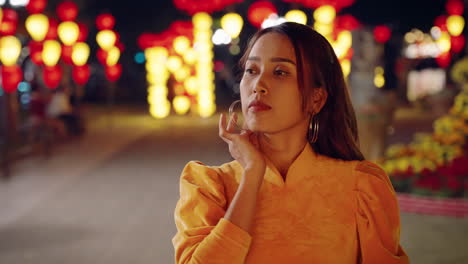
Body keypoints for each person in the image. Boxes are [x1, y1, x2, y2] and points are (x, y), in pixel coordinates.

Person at [172, 22, 409, 263]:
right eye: (251, 70)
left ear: (317, 99)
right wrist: (252, 175)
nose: (258, 86)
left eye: (280, 72)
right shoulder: (211, 187)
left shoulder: (361, 187)